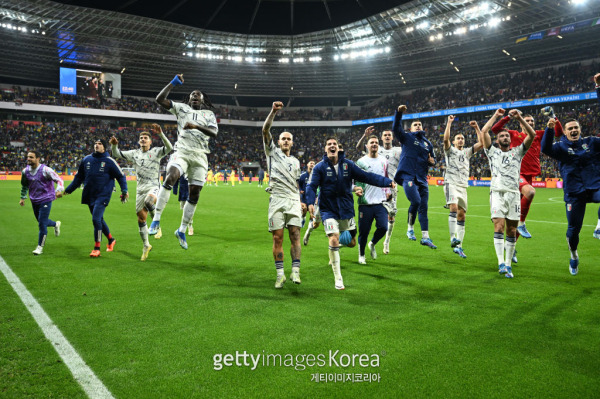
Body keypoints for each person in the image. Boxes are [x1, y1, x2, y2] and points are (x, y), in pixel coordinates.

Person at [306, 137, 394, 290]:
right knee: (333, 238)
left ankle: (334, 249)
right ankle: (338, 278)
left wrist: (386, 182)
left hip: (346, 210)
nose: (332, 146)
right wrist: (309, 203)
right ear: (325, 149)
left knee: (352, 243)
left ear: (338, 149)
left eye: (334, 144)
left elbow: (367, 177)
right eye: (329, 144)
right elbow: (312, 186)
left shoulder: (348, 165)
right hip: (328, 210)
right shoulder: (319, 168)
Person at [147, 74, 218, 250]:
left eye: (198, 95)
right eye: (193, 94)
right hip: (183, 151)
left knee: (194, 195)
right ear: (189, 98)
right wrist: (172, 83)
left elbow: (214, 133)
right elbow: (159, 99)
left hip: (201, 156)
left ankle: (182, 230)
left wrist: (195, 126)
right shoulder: (181, 109)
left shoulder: (208, 114)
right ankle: (156, 220)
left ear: (202, 100)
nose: (195, 96)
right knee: (170, 177)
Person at [541, 73, 600, 275]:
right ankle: (574, 255)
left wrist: (598, 88)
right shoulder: (560, 147)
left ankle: (599, 226)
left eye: (576, 128)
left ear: (580, 129)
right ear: (565, 132)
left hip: (595, 187)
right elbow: (545, 149)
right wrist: (549, 130)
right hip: (574, 193)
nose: (573, 130)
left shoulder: (592, 142)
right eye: (570, 128)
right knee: (573, 231)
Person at [491, 107, 563, 240]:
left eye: (532, 121)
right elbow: (495, 130)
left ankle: (512, 246)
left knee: (514, 217)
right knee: (530, 192)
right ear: (521, 122)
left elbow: (559, 133)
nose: (530, 122)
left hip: (529, 176)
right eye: (527, 120)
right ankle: (522, 223)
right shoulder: (513, 134)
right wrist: (509, 117)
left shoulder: (539, 135)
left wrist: (553, 116)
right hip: (515, 174)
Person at [480, 109, 535, 278]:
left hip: (513, 194)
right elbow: (483, 131)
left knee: (511, 230)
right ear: (497, 140)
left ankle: (509, 264)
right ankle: (501, 263)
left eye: (507, 136)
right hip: (497, 193)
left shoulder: (517, 152)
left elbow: (531, 135)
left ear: (510, 140)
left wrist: (520, 118)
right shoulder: (492, 152)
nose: (505, 137)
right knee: (499, 226)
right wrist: (496, 116)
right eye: (502, 136)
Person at [110, 124, 172, 260]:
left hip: (153, 186)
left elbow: (169, 148)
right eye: (141, 138)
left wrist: (161, 134)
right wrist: (114, 145)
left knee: (149, 201)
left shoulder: (156, 151)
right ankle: (146, 245)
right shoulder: (134, 154)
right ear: (139, 141)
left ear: (150, 141)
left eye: (145, 138)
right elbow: (116, 154)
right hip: (140, 189)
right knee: (141, 219)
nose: (143, 139)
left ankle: (156, 223)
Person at [262, 101, 303, 288]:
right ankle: (280, 275)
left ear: (292, 143)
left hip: (293, 200)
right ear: (278, 142)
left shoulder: (296, 162)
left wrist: (303, 201)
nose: (286, 141)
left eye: (289, 139)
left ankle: (295, 271)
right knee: (277, 237)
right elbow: (265, 130)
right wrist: (273, 112)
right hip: (277, 198)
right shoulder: (272, 152)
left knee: (295, 234)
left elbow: (297, 183)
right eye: (283, 138)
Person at [64, 139, 129, 257]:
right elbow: (78, 178)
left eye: (99, 144)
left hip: (103, 194)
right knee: (99, 219)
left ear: (104, 147)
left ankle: (97, 247)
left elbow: (121, 176)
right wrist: (67, 190)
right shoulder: (86, 159)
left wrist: (124, 190)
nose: (96, 145)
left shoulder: (109, 161)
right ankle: (111, 240)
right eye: (95, 143)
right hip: (90, 194)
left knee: (95, 219)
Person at [392, 105, 437, 249]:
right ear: (410, 129)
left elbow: (433, 159)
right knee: (416, 201)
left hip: (422, 179)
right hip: (408, 177)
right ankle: (410, 228)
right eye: (415, 125)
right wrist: (398, 113)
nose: (418, 126)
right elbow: (396, 129)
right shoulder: (406, 137)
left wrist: (432, 162)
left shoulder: (428, 144)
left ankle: (425, 237)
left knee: (424, 208)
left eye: (419, 124)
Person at [442, 116, 484, 258]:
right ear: (454, 142)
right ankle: (452, 237)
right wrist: (449, 123)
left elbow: (482, 143)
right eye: (458, 138)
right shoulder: (450, 150)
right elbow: (445, 139)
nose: (460, 140)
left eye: (462, 138)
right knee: (453, 207)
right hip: (451, 183)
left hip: (463, 186)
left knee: (462, 215)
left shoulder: (467, 152)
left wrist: (477, 128)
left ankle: (459, 247)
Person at [357, 127, 402, 254]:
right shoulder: (377, 149)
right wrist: (364, 136)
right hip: (375, 188)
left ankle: (386, 242)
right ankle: (369, 245)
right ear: (381, 138)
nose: (387, 137)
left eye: (389, 135)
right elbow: (359, 149)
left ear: (392, 137)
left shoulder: (398, 151)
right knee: (374, 221)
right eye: (385, 135)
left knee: (391, 217)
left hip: (391, 187)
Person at [355, 134, 391, 265]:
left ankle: (373, 243)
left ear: (378, 145)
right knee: (363, 231)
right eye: (372, 142)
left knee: (383, 227)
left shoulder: (384, 161)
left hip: (380, 202)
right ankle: (361, 254)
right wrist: (357, 189)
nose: (374, 144)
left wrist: (388, 192)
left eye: (376, 142)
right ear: (367, 146)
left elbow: (386, 177)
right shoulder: (361, 162)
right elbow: (356, 179)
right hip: (365, 202)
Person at [19, 150, 65, 255]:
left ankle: (40, 247)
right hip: (34, 200)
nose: (28, 159)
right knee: (40, 221)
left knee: (42, 223)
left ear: (38, 158)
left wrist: (58, 190)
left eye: (31, 157)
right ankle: (55, 224)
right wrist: (22, 197)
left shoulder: (46, 170)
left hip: (46, 199)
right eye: (28, 157)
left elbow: (59, 180)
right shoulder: (25, 171)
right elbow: (25, 185)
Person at [299, 161, 315, 228]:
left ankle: (310, 225)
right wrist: (300, 190)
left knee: (312, 211)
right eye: (310, 163)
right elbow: (298, 184)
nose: (312, 164)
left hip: (312, 197)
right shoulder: (303, 175)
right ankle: (303, 218)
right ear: (307, 165)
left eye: (313, 164)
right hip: (304, 197)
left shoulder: (316, 176)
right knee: (304, 209)